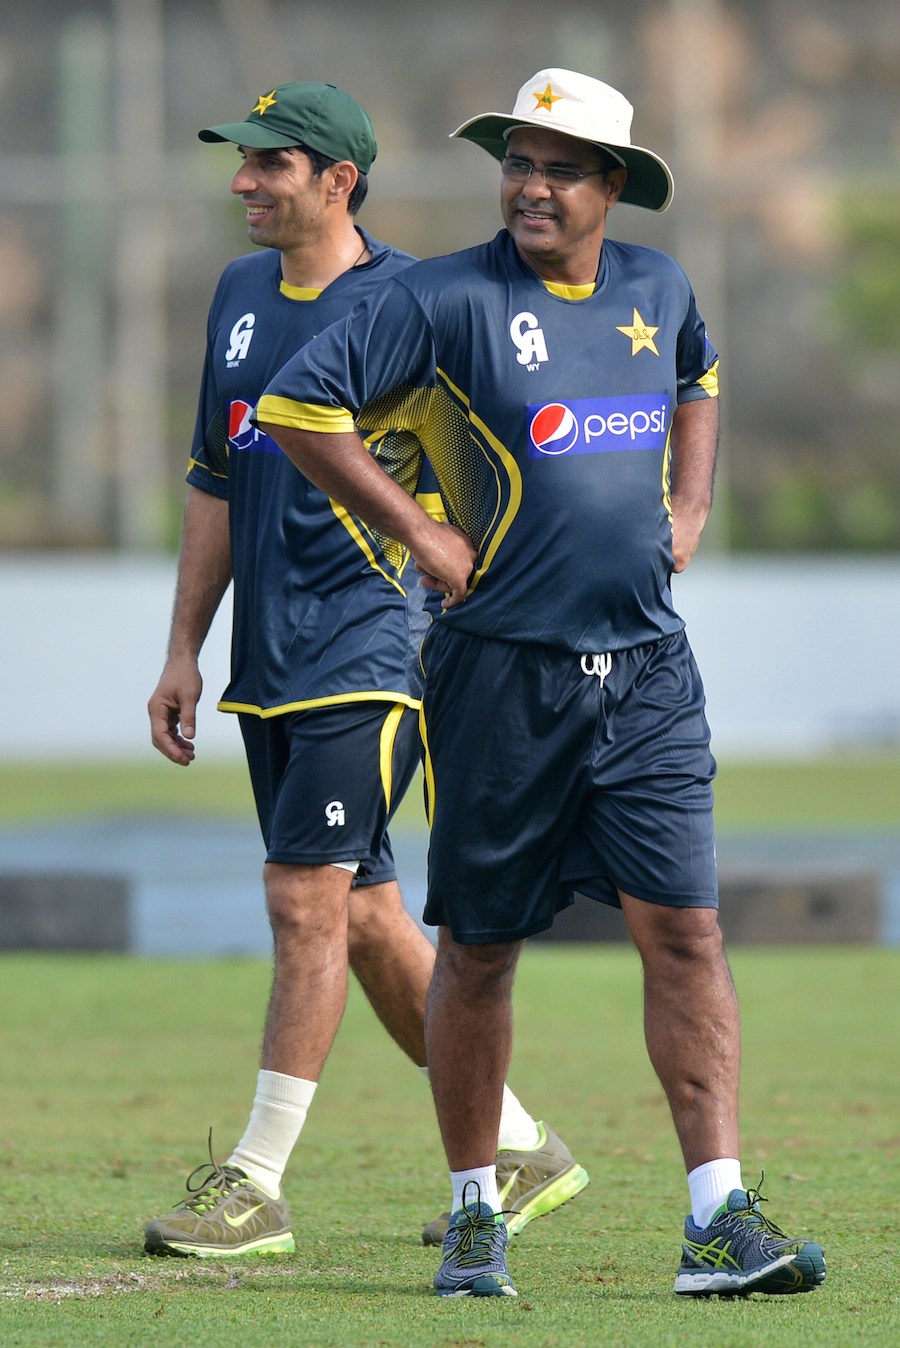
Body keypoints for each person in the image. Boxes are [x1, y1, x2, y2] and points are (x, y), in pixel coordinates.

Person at [254, 68, 827, 1299]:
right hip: (500, 678)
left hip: (652, 672)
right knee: (485, 948)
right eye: (518, 160)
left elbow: (700, 376)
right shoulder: (444, 296)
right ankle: (475, 1211)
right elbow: (301, 408)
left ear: (612, 187)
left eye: (562, 166)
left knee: (686, 932)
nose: (531, 184)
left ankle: (718, 1220)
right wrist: (423, 533)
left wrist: (692, 499)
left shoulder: (657, 285)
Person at [144, 80, 588, 1260]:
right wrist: (185, 647)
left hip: (379, 650)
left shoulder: (420, 303)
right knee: (371, 919)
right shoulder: (239, 297)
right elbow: (212, 480)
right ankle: (521, 1143)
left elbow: (511, 466)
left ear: (339, 181)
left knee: (302, 901)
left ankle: (254, 1186)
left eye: (270, 165)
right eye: (242, 163)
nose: (243, 182)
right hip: (267, 660)